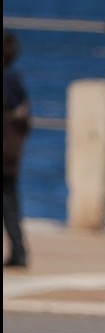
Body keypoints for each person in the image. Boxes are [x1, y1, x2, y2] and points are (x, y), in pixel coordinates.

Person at [4, 31, 30, 269]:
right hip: (11, 155)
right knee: (11, 203)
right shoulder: (16, 83)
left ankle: (19, 253)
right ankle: (19, 252)